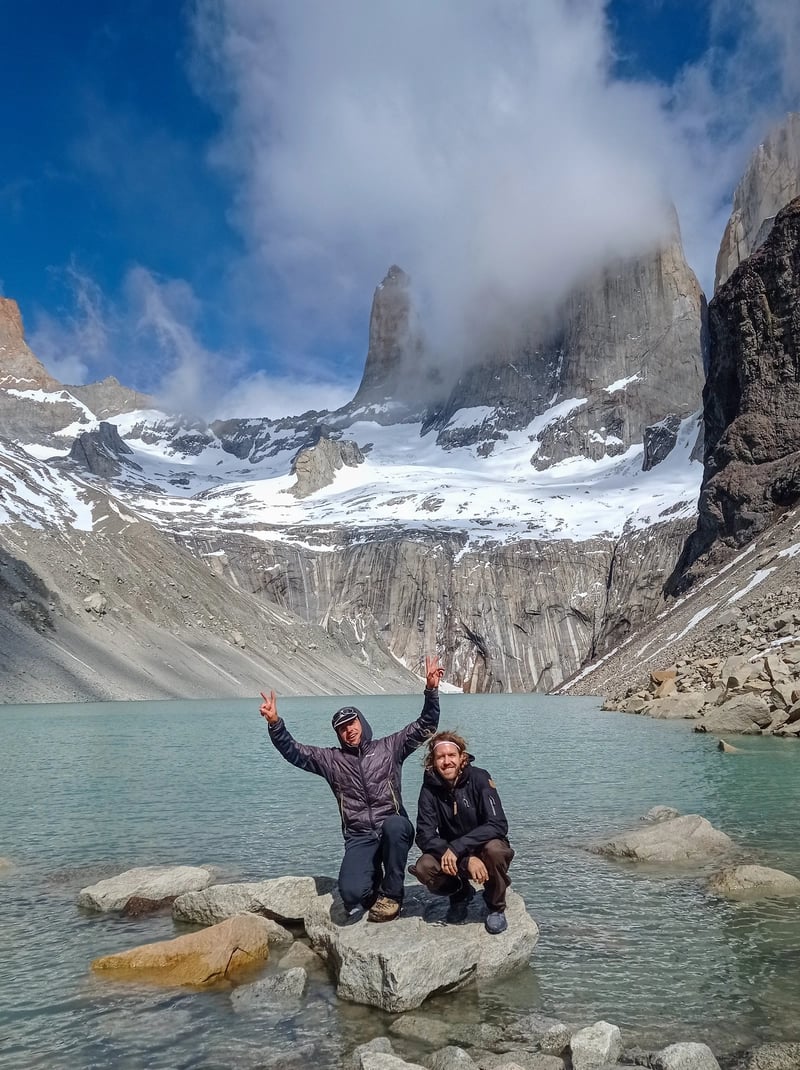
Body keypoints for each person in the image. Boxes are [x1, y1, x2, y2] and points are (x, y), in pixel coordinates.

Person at [259, 655, 444, 923]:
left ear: (362, 723)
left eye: (352, 724)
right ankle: (374, 883)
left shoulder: (389, 748)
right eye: (342, 729)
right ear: (338, 735)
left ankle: (393, 896)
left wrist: (431, 690)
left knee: (396, 827)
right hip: (359, 836)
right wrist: (276, 724)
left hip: (391, 826)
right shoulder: (331, 760)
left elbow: (426, 726)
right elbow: (294, 752)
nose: (349, 731)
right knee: (352, 895)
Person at [410, 730, 514, 934]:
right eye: (441, 757)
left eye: (451, 755)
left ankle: (495, 905)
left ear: (462, 757)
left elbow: (498, 824)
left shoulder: (480, 778)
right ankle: (460, 893)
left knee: (495, 850)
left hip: (483, 848)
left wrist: (459, 847)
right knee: (424, 867)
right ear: (432, 761)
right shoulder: (429, 789)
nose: (446, 761)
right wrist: (464, 859)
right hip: (453, 855)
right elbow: (424, 835)